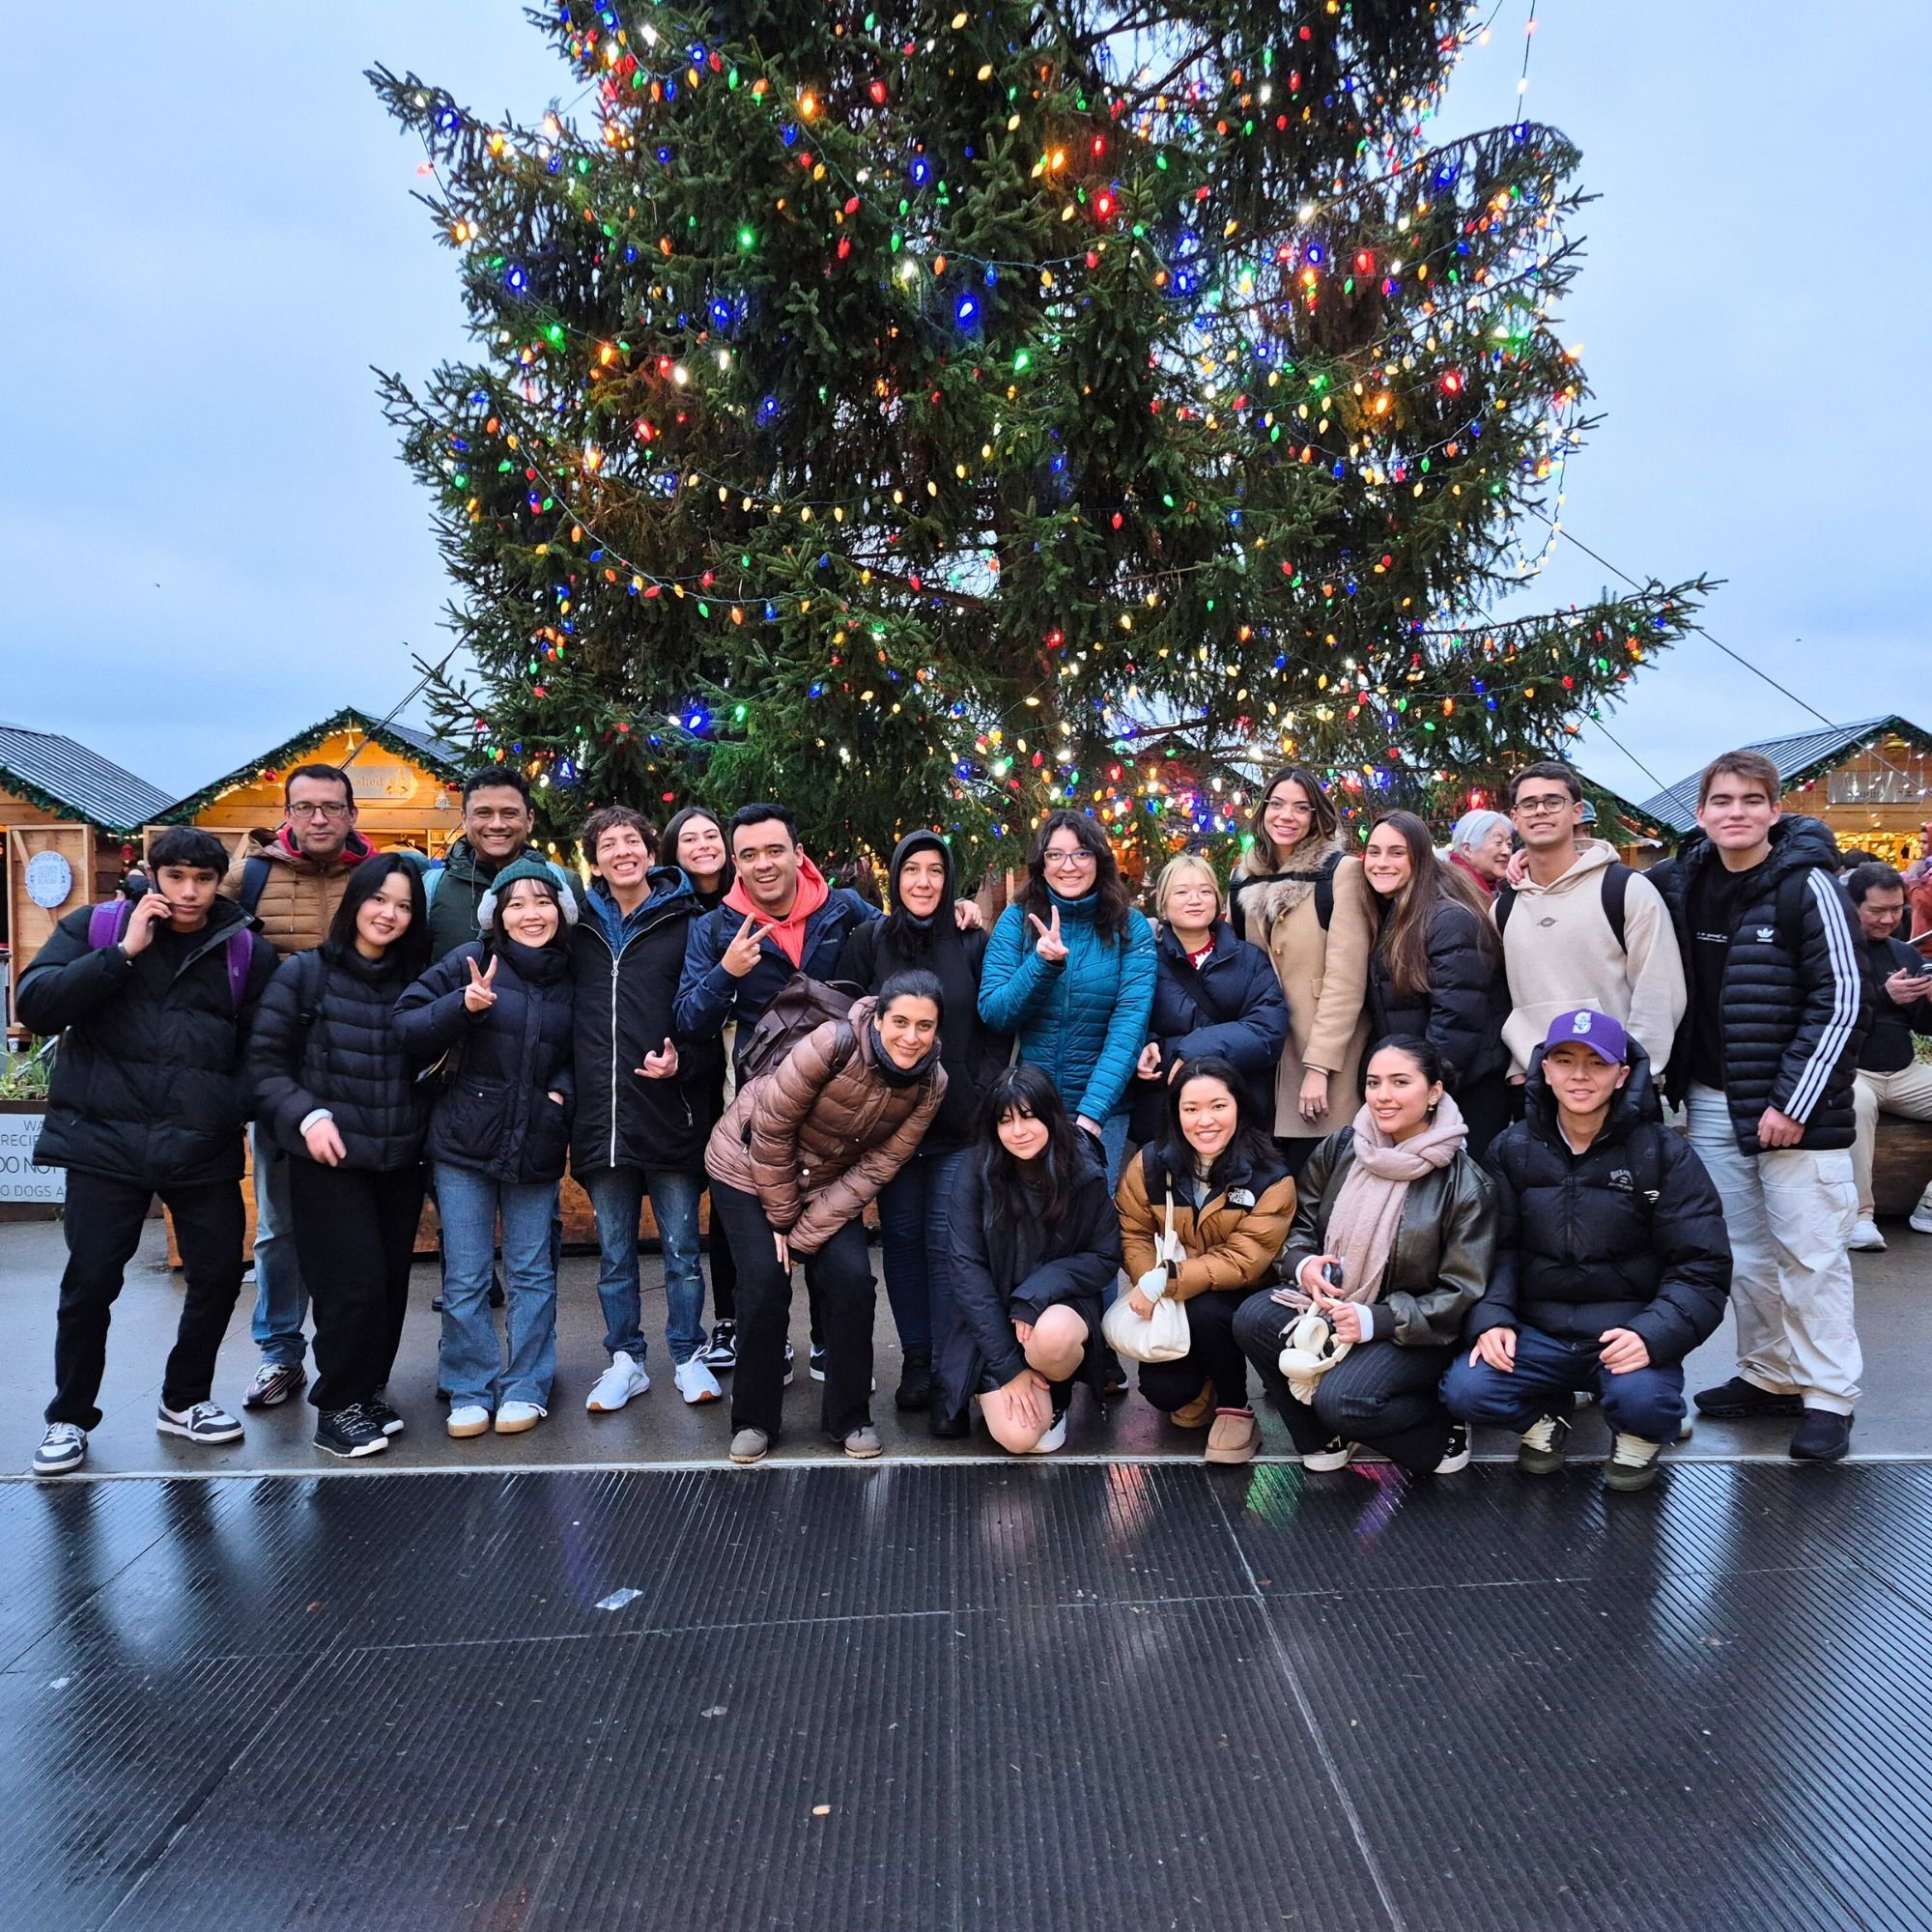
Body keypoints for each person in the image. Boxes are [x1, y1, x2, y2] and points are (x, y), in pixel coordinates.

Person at [20, 828, 278, 1476]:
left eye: (202, 878)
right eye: (176, 877)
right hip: (104, 1142)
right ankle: (69, 1418)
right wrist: (123, 955)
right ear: (153, 876)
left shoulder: (244, 947)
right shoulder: (99, 927)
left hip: (201, 1144)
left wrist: (227, 1106)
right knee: (90, 1283)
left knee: (219, 1276)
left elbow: (265, 1047)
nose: (188, 892)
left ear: (221, 880)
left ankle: (184, 1399)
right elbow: (36, 1005)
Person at [1647, 751, 1869, 1462]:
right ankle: (1770, 1375)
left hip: (1793, 1110)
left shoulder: (1809, 887)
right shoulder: (1685, 880)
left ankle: (1829, 1399)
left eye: (1750, 800)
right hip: (1713, 1100)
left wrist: (1793, 1102)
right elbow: (1607, 890)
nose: (1734, 812)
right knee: (1743, 1255)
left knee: (1811, 1254)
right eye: (1720, 800)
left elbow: (1842, 1001)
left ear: (1775, 810)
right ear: (1702, 812)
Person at [1440, 1010, 1732, 1492]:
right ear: (1544, 1070)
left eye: (1597, 1063)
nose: (1579, 1075)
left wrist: (1652, 1335)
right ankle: (1543, 1423)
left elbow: (1701, 1266)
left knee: (1644, 1403)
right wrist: (1491, 1318)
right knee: (1466, 1390)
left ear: (1622, 1076)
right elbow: (1492, 1250)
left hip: (1623, 1332)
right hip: (1539, 1332)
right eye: (1565, 1060)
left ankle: (1640, 1437)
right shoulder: (1511, 1150)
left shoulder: (1663, 1154)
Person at [703, 971, 948, 1464]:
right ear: (878, 1019)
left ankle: (850, 1416)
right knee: (765, 1284)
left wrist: (803, 1234)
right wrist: (781, 1218)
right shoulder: (833, 1041)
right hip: (746, 1165)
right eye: (900, 1021)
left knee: (853, 1280)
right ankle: (753, 1419)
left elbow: (880, 1165)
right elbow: (771, 1128)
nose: (910, 1037)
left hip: (826, 1184)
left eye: (924, 1026)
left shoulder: (931, 1083)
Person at [1233, 1037, 1496, 1476]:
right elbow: (1301, 1225)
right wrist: (1303, 1262)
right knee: (1252, 1318)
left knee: (1344, 1400)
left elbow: (1461, 1292)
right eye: (1373, 1082)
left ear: (1434, 1092)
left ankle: (1440, 1428)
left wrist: (1377, 1319)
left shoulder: (1466, 1183)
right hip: (1333, 1305)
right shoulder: (1343, 1147)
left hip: (1414, 1330)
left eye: (1400, 1082)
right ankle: (1322, 1436)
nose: (1383, 1095)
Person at [247, 854, 432, 1458]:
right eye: (380, 899)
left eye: (404, 905)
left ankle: (366, 1390)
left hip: (399, 1156)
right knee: (347, 1287)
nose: (390, 914)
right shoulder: (304, 975)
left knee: (387, 1285)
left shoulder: (416, 979)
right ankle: (337, 1408)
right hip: (330, 1160)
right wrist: (308, 1114)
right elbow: (264, 1065)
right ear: (355, 900)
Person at [394, 856, 578, 1437]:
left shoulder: (575, 973)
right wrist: (462, 1007)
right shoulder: (467, 961)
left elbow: (587, 1051)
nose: (531, 913)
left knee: (531, 1271)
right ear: (496, 913)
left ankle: (527, 1383)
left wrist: (560, 1099)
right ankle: (470, 1386)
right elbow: (404, 1024)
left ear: (561, 910)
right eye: (516, 902)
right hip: (462, 1140)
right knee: (467, 1275)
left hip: (537, 1139)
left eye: (543, 901)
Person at [224, 762, 380, 1415]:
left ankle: (358, 1361)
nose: (318, 818)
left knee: (357, 1231)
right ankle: (280, 1352)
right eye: (305, 807)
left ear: (351, 815)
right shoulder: (249, 878)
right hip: (282, 1075)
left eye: (331, 807)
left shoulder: (376, 878)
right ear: (288, 812)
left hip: (366, 1075)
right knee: (280, 1226)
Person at [836, 832, 1009, 1413]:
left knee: (947, 1243)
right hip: (889, 1127)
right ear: (894, 877)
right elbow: (849, 1021)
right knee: (904, 1242)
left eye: (936, 871)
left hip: (959, 1124)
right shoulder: (868, 940)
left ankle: (948, 1367)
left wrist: (981, 1087)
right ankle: (915, 1359)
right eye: (912, 870)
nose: (924, 882)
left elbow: (994, 1023)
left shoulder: (970, 939)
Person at [570, 806, 724, 1413]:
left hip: (669, 1110)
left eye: (631, 840)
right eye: (608, 844)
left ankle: (688, 1354)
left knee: (683, 1250)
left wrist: (682, 1062)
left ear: (650, 850)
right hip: (602, 1119)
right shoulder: (575, 924)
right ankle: (625, 1359)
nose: (621, 852)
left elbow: (710, 1015)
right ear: (595, 858)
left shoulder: (687, 920)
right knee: (614, 1254)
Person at [1117, 1056, 1296, 1465]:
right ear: (1175, 1113)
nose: (1205, 1120)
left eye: (1218, 1106)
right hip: (1171, 1294)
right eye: (1191, 1109)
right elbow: (1133, 1231)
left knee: (1209, 1309)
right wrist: (1153, 1280)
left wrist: (1163, 1282)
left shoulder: (1270, 1176)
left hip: (1239, 1299)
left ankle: (1236, 1406)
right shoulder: (1148, 1165)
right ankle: (1205, 1380)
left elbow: (1242, 1262)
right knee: (1166, 1395)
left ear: (1240, 1107)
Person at [944, 1065, 1122, 1451]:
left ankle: (1055, 1395)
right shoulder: (975, 1171)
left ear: (1050, 1116)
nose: (1018, 1130)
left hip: (1058, 1307)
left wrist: (1037, 1292)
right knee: (1021, 1438)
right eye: (1005, 1120)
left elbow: (1106, 1255)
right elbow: (966, 1269)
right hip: (991, 1319)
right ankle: (999, 1387)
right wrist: (1008, 1368)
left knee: (1053, 1337)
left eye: (1028, 1116)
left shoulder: (1083, 1169)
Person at [978, 810, 1157, 1186]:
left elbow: (1128, 1026)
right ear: (1041, 864)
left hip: (1102, 1110)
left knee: (1090, 1225)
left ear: (1099, 860)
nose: (1068, 866)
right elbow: (994, 1012)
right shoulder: (1017, 920)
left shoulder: (1129, 927)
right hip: (1027, 1110)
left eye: (1081, 853)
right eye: (1055, 855)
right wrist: (1041, 964)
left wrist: (1090, 1119)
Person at [1495, 760, 1687, 1082]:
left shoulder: (1625, 890)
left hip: (1613, 1078)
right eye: (1528, 805)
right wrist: (1517, 1070)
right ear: (1515, 818)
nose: (1540, 811)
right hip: (1535, 1081)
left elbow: (1659, 991)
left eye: (1553, 801)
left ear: (1576, 811)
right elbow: (1500, 998)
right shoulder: (1504, 908)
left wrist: (1637, 1071)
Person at [1229, 766, 1377, 1177]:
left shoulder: (1341, 872)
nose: (1286, 816)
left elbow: (1346, 980)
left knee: (1322, 1179)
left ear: (1316, 816)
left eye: (1300, 807)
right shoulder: (1242, 878)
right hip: (1265, 1056)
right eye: (1276, 804)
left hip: (1323, 1055)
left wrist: (1319, 1068)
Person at [1360, 810, 1513, 1155]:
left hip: (1461, 1093)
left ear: (1420, 857)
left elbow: (1456, 1022)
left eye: (1397, 853)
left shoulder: (1448, 920)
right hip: (1423, 1088)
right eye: (1374, 851)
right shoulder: (1394, 911)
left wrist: (1424, 1093)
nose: (1382, 863)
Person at [1132, 852, 1288, 1140]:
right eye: (1182, 892)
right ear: (1163, 906)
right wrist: (1146, 1045)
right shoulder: (1144, 960)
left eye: (1205, 891)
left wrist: (1192, 1049)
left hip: (1236, 1109)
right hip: (1166, 1111)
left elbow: (1268, 1031)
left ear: (1217, 901)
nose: (1195, 899)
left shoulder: (1249, 959)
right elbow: (1127, 1021)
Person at [663, 805, 740, 1370]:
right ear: (673, 849)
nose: (703, 844)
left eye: (711, 834)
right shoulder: (667, 906)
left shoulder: (748, 897)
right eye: (689, 838)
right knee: (715, 1203)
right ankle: (728, 1319)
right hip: (690, 1067)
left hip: (745, 1065)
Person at [1841, 863, 1932, 1247]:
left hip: (1903, 1070)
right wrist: (1882, 995)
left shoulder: (1903, 953)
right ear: (1853, 906)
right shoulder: (1833, 949)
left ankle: (1928, 1204)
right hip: (1852, 1070)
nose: (1889, 919)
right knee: (1857, 1103)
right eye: (1877, 911)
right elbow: (1828, 1010)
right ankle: (1860, 1216)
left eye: (1896, 909)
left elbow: (1924, 1026)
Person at [423, 767, 582, 963]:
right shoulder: (430, 889)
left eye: (509, 813)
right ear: (464, 819)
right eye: (483, 813)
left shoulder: (564, 885)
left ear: (529, 820)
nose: (497, 824)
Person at [1446, 808, 1513, 901]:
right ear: (1468, 849)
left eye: (1509, 844)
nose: (1507, 851)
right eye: (1498, 842)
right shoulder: (1452, 896)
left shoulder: (1503, 890)